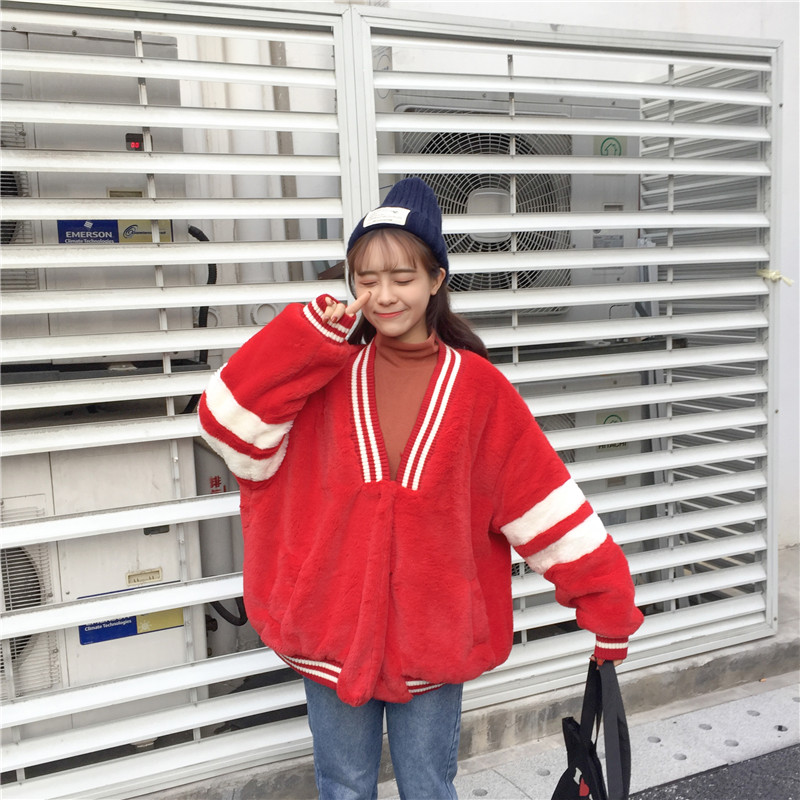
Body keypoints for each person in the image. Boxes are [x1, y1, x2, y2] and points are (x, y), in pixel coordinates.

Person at [198, 177, 643, 800]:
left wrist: (607, 603)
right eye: (366, 278)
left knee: (429, 787)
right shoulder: (323, 378)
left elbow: (543, 503)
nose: (383, 295)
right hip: (331, 633)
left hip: (433, 642)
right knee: (342, 786)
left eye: (402, 277)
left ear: (437, 279)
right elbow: (225, 426)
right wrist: (305, 340)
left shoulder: (478, 390)